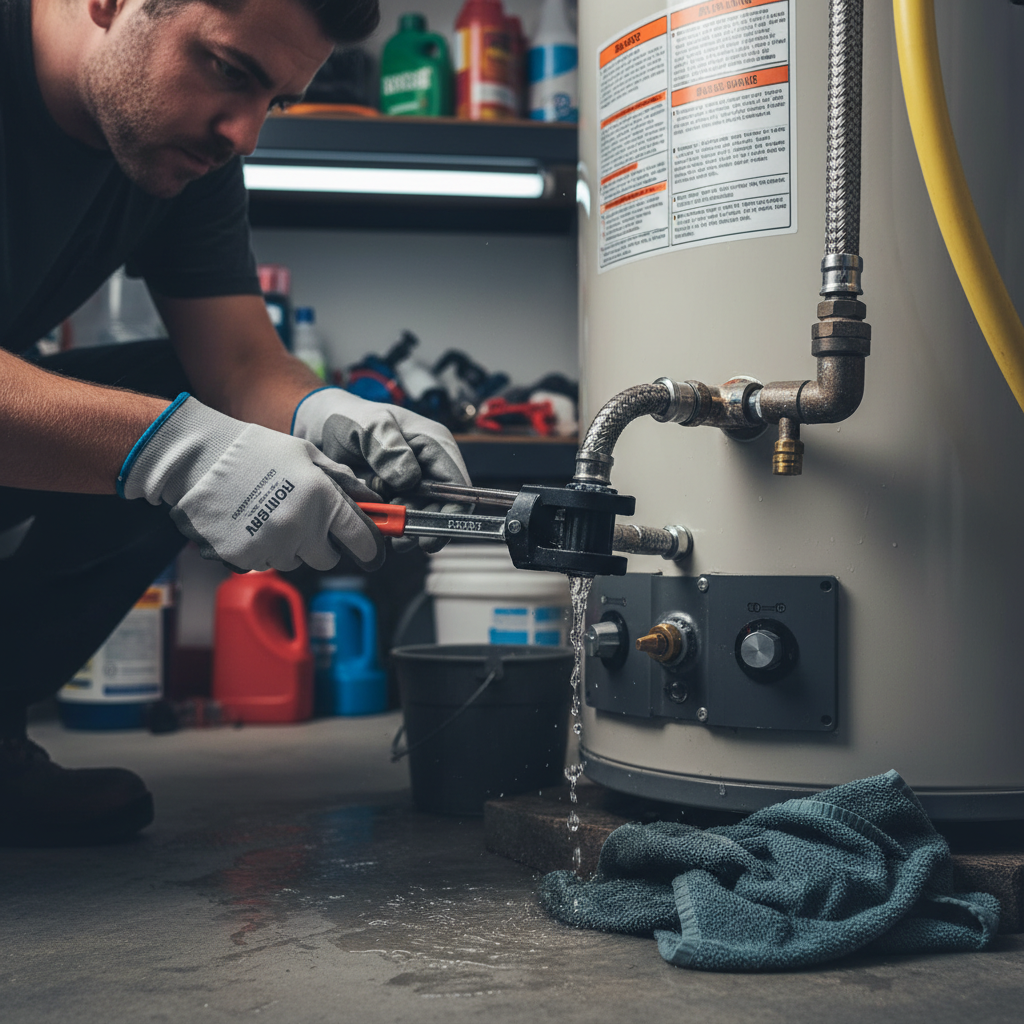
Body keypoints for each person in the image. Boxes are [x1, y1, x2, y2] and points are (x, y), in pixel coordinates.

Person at [0, 0, 470, 845]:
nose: (245, 133)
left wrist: (331, 415)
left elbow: (241, 366)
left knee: (184, 392)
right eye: (229, 69)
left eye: (275, 102)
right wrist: (173, 449)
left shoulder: (183, 150)